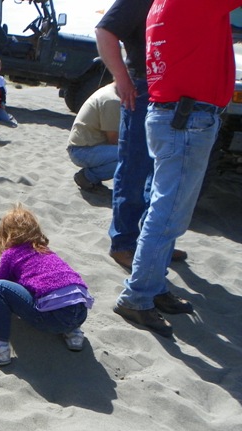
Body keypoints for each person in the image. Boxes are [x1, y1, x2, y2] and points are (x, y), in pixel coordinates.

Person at [113, 0, 241, 337]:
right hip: (187, 119)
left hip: (175, 114)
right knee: (168, 214)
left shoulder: (163, 3)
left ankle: (151, 288)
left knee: (164, 209)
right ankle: (137, 296)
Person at [95, 0, 187, 270]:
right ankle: (123, 243)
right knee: (135, 167)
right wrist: (122, 78)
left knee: (163, 174)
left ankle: (151, 242)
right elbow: (104, 31)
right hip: (144, 88)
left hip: (176, 92)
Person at [0, 206, 93, 366]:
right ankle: (74, 334)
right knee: (57, 290)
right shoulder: (46, 252)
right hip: (81, 313)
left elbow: (2, 284)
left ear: (6, 235)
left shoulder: (10, 254)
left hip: (52, 319)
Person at [67, 82, 121, 190]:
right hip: (82, 151)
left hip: (83, 147)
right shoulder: (113, 100)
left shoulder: (109, 91)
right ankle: (88, 177)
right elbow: (113, 139)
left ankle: (91, 176)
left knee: (129, 154)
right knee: (129, 156)